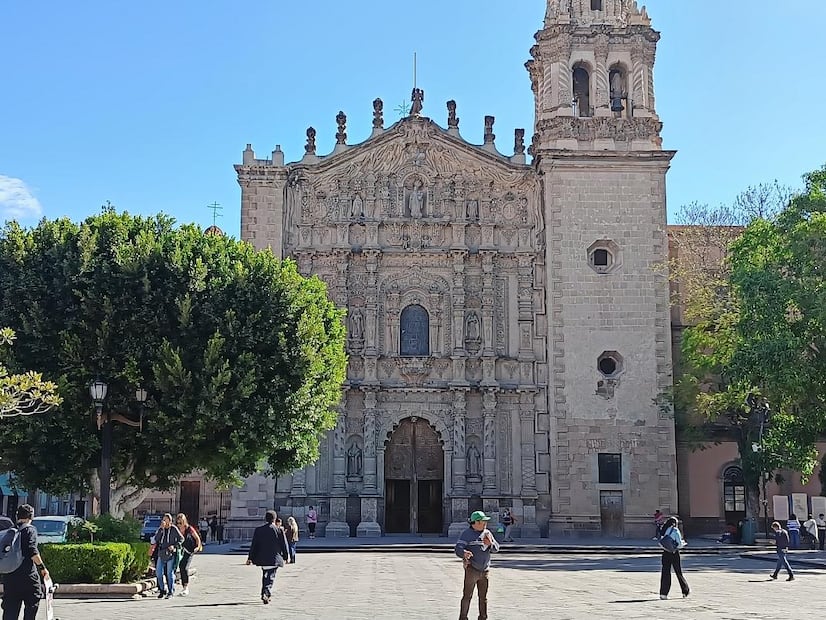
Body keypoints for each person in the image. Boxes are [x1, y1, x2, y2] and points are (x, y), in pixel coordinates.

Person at [1, 504, 49, 620]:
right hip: (28, 576)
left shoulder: (10, 531)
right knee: (32, 602)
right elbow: (32, 551)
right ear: (31, 516)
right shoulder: (29, 530)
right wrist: (42, 568)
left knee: (10, 608)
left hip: (10, 575)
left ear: (17, 516)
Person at [454, 510, 500, 620]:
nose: (485, 524)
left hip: (485, 571)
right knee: (467, 595)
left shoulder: (487, 533)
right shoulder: (466, 534)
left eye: (485, 522)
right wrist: (464, 553)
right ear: (475, 523)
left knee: (483, 597)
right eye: (483, 522)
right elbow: (458, 548)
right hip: (472, 570)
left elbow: (496, 548)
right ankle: (463, 617)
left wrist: (491, 544)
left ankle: (483, 617)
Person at [246, 510, 290, 605]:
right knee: (270, 577)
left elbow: (254, 545)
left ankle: (264, 592)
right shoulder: (279, 530)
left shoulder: (259, 530)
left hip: (262, 558)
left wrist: (250, 557)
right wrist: (286, 557)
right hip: (274, 558)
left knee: (266, 575)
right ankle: (266, 593)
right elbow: (284, 545)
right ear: (274, 519)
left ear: (265, 518)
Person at [658, 516, 689, 600]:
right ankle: (685, 591)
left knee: (665, 573)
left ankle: (663, 593)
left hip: (665, 552)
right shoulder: (675, 530)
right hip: (674, 553)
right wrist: (683, 544)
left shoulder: (664, 530)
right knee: (678, 572)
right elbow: (679, 543)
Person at [154, 513, 184, 599]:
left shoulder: (174, 529)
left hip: (170, 553)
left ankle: (171, 591)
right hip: (161, 553)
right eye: (163, 519)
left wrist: (174, 546)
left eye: (166, 519)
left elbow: (181, 539)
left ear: (170, 521)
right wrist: (161, 529)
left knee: (169, 573)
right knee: (159, 573)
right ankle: (162, 590)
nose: (164, 521)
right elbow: (156, 539)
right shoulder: (161, 529)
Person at [176, 513, 203, 597]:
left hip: (189, 551)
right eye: (178, 523)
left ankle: (185, 587)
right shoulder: (176, 529)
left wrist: (198, 547)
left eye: (181, 523)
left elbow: (197, 538)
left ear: (184, 522)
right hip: (179, 551)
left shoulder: (189, 529)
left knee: (184, 567)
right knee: (179, 566)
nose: (179, 525)